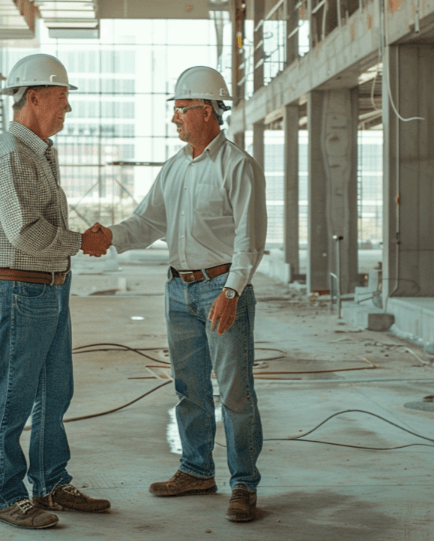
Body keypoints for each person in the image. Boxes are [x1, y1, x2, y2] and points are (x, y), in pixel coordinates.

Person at [91, 66, 267, 522]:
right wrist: (109, 235)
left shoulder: (237, 166)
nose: (175, 119)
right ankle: (196, 470)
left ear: (206, 111)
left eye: (180, 110)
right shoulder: (174, 167)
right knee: (189, 388)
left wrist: (231, 292)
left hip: (221, 290)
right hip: (179, 291)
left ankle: (243, 484)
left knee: (234, 393)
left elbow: (250, 240)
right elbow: (147, 223)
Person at [0, 53, 112, 530]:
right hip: (19, 290)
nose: (66, 110)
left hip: (48, 286)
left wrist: (75, 248)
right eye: (61, 99)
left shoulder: (36, 153)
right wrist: (82, 243)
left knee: (56, 392)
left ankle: (51, 483)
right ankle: (7, 495)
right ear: (32, 98)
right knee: (13, 397)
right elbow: (27, 235)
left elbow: (40, 230)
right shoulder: (11, 155)